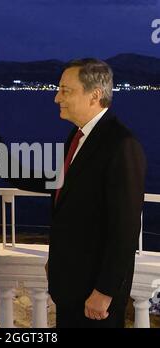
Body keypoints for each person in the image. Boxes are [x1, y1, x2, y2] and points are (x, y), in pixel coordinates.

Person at [46, 58, 146, 328]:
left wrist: (104, 292)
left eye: (65, 91)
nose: (57, 98)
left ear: (95, 95)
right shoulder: (77, 137)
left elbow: (125, 229)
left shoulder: (122, 145)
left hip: (94, 296)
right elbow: (66, 191)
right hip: (70, 288)